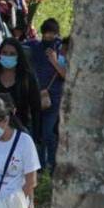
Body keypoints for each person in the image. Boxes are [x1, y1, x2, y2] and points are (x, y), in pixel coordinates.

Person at [25, 18, 67, 170]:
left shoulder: (61, 49)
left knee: (48, 133)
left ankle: (52, 165)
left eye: (52, 33)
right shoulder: (34, 47)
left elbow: (65, 75)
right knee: (37, 133)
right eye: (46, 33)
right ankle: (40, 166)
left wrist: (54, 61)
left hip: (54, 98)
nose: (49, 37)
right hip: (36, 96)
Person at [0, 38, 43, 135]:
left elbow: (36, 108)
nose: (7, 56)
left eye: (12, 54)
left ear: (18, 56)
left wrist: (36, 136)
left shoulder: (27, 77)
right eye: (4, 53)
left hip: (20, 130)